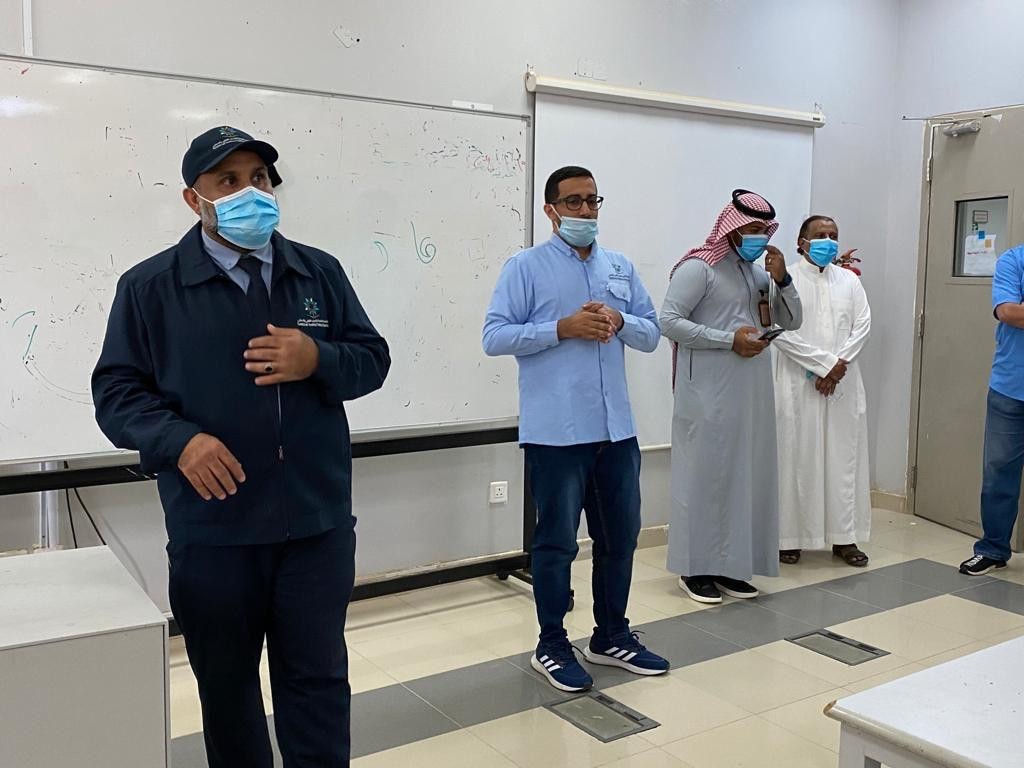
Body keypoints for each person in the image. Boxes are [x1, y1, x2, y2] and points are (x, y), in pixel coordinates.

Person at [92, 126, 391, 767]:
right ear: (193, 199)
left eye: (258, 179)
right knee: (227, 694)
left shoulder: (318, 272)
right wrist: (180, 442)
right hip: (214, 533)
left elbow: (372, 361)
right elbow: (116, 394)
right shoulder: (150, 288)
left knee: (317, 685)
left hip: (315, 526)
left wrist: (318, 357)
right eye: (227, 181)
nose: (249, 192)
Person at [483, 165, 669, 692]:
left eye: (592, 200)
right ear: (551, 210)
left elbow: (652, 333)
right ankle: (552, 644)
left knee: (620, 539)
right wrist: (560, 328)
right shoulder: (525, 267)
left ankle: (611, 636)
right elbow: (494, 336)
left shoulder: (620, 266)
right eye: (573, 202)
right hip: (557, 434)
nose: (585, 210)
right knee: (557, 543)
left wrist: (620, 320)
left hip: (616, 432)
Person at [660, 189, 802, 604]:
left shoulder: (757, 275)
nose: (758, 237)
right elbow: (668, 321)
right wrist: (728, 340)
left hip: (751, 393)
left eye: (764, 230)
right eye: (751, 229)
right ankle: (694, 569)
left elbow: (791, 321)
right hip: (706, 394)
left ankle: (731, 566)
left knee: (743, 477)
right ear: (731, 228)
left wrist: (783, 280)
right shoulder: (698, 268)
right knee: (704, 477)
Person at [772, 215, 872, 567]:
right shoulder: (785, 280)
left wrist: (838, 365)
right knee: (797, 456)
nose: (828, 241)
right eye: (820, 235)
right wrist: (824, 364)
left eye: (833, 235)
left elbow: (863, 324)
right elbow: (779, 330)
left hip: (842, 382)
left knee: (843, 459)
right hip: (798, 382)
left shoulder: (849, 280)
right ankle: (790, 538)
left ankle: (844, 538)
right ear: (801, 242)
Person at [960, 241, 1024, 576]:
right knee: (999, 473)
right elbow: (1008, 312)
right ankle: (993, 549)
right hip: (1010, 387)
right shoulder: (1014, 260)